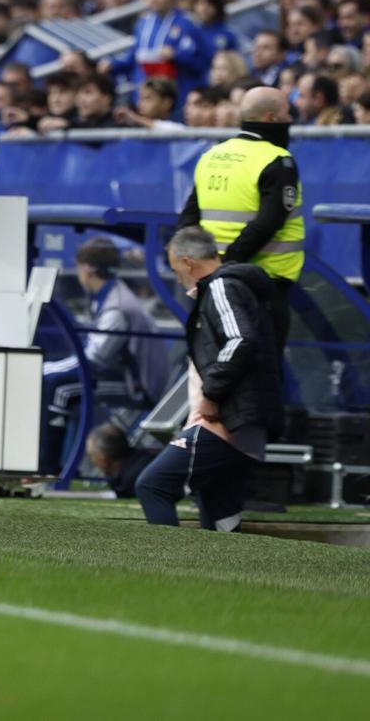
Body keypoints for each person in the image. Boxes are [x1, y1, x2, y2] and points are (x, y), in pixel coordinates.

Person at [136, 227, 282, 531]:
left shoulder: (221, 288)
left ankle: (165, 566)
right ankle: (229, 576)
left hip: (226, 421)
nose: (177, 278)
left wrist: (212, 394)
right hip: (243, 422)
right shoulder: (237, 288)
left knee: (153, 486)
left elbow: (240, 339)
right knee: (220, 516)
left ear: (188, 263)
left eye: (176, 270)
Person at [177, 86, 303, 357]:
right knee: (260, 373)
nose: (290, 119)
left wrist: (200, 270)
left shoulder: (213, 156)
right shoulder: (278, 161)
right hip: (261, 283)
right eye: (286, 113)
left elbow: (188, 219)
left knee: (216, 366)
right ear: (270, 118)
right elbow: (267, 224)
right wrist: (226, 267)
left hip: (211, 282)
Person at [40, 237, 171, 474]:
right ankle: (50, 465)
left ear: (88, 268)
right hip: (125, 376)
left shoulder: (116, 306)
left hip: (137, 387)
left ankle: (47, 467)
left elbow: (94, 358)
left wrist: (44, 369)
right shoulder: (110, 294)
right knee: (56, 381)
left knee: (57, 387)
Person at [100, 0, 207, 111]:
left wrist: (176, 55)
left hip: (175, 98)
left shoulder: (187, 23)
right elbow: (134, 58)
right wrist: (113, 65)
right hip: (143, 97)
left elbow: (201, 63)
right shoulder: (143, 23)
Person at [85, 423, 159, 498]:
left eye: (92, 456)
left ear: (103, 460)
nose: (92, 461)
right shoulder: (145, 459)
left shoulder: (133, 481)